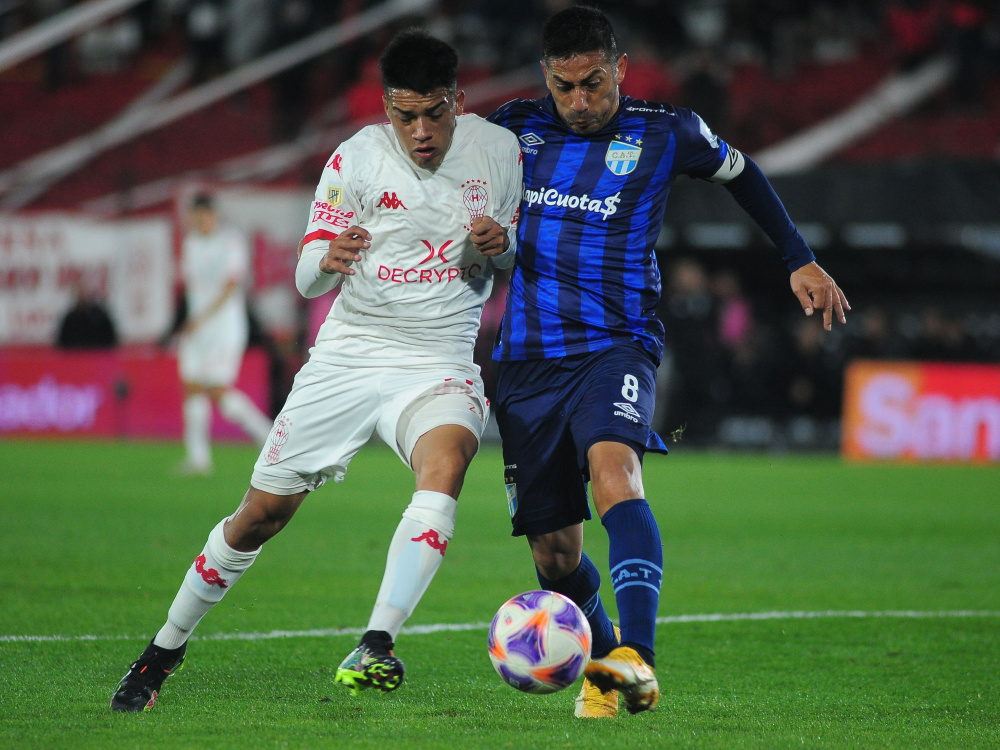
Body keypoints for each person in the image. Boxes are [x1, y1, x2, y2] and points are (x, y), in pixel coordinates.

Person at [110, 30, 522, 712]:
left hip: (439, 358)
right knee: (259, 517)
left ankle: (377, 643)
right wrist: (326, 258)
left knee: (447, 461)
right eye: (404, 114)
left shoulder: (498, 151)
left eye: (435, 112)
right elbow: (304, 280)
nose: (421, 130)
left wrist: (502, 245)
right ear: (386, 107)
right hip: (351, 353)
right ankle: (162, 652)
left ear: (459, 99)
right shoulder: (355, 158)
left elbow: (510, 258)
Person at [487, 6, 849, 719]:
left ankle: (636, 658)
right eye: (565, 88)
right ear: (545, 79)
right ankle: (610, 653)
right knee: (554, 557)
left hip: (616, 344)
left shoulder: (666, 130)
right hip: (526, 361)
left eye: (594, 82)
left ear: (619, 68)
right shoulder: (511, 129)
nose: (581, 102)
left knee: (614, 472)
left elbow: (744, 175)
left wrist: (798, 258)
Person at [176, 193, 273, 475]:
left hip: (223, 328)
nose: (200, 220)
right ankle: (198, 459)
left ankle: (268, 438)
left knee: (218, 392)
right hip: (197, 328)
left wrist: (200, 318)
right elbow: (193, 289)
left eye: (205, 215)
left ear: (214, 216)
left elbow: (230, 286)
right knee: (191, 386)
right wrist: (188, 320)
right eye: (195, 215)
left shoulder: (230, 242)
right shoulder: (190, 244)